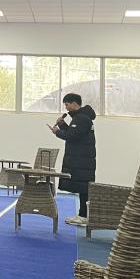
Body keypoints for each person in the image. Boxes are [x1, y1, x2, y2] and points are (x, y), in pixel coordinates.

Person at [51, 93, 96, 226]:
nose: (66, 107)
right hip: (82, 159)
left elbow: (72, 137)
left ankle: (83, 216)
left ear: (74, 103)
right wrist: (63, 125)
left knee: (84, 188)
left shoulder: (81, 118)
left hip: (81, 159)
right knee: (83, 188)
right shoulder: (82, 117)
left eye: (67, 104)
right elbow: (74, 133)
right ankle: (83, 215)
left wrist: (57, 132)